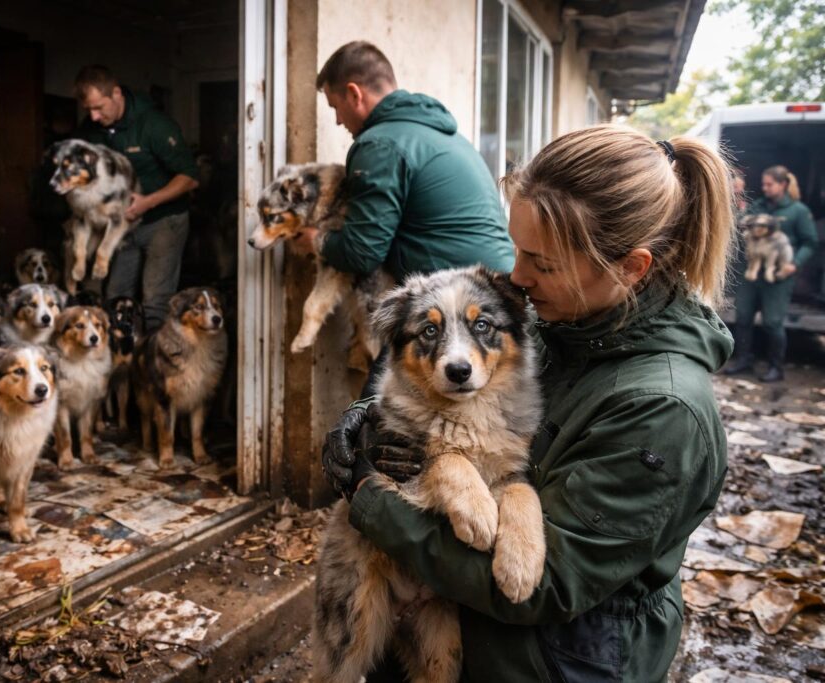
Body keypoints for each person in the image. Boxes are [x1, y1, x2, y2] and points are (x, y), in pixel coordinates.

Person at [321, 125, 736, 682]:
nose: (516, 277)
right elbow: (441, 380)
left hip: (555, 662)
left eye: (543, 263)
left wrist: (371, 500)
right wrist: (366, 417)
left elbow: (543, 585)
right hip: (463, 627)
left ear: (631, 268)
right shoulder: (559, 322)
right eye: (517, 249)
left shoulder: (662, 411)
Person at [293, 41, 515, 393]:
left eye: (335, 107)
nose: (337, 120)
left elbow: (361, 250)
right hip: (499, 300)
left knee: (376, 412)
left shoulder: (379, 144)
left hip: (457, 302)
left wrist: (316, 240)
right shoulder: (444, 134)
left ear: (354, 94)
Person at [73, 65, 200, 331]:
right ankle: (122, 363)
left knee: (154, 299)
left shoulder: (154, 124)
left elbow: (189, 177)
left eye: (99, 108)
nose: (94, 117)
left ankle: (154, 365)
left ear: (116, 93)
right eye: (88, 110)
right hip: (122, 226)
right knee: (115, 296)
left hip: (163, 221)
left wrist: (148, 201)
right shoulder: (91, 129)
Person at [724, 165, 817, 382]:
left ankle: (776, 367)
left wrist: (795, 263)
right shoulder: (759, 206)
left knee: (772, 322)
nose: (765, 188)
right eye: (764, 184)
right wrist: (738, 203)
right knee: (743, 317)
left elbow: (810, 242)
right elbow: (740, 223)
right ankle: (744, 359)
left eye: (769, 184)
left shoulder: (798, 211)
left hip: (778, 276)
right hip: (752, 272)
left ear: (783, 185)